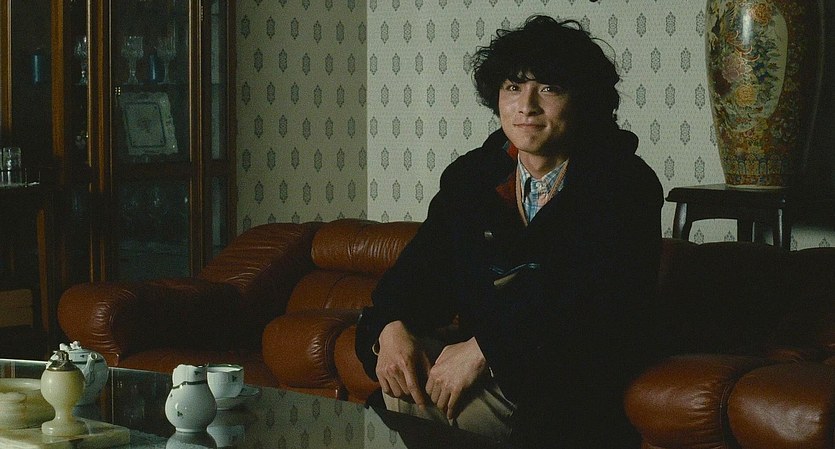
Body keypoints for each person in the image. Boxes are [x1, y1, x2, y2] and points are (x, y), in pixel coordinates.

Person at [356, 15, 663, 448]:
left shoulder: (625, 183)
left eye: (549, 89)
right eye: (513, 87)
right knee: (404, 381)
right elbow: (419, 274)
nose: (526, 106)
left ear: (583, 100)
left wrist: (485, 349)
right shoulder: (472, 177)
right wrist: (390, 328)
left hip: (569, 387)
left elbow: (593, 311)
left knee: (408, 410)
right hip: (492, 380)